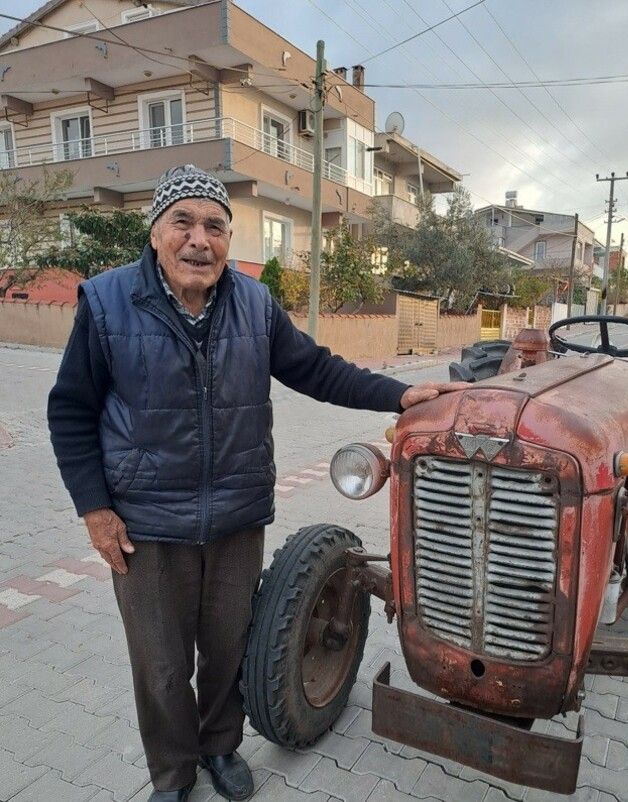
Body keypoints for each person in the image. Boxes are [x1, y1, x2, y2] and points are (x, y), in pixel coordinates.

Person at [47, 165, 466, 802]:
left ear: (229, 240)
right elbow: (71, 411)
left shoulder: (253, 303)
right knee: (161, 668)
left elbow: (317, 370)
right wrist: (95, 510)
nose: (199, 239)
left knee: (226, 651)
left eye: (215, 226)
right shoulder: (107, 303)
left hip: (237, 515)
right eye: (182, 222)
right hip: (147, 523)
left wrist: (401, 393)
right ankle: (172, 773)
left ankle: (220, 747)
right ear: (155, 232)